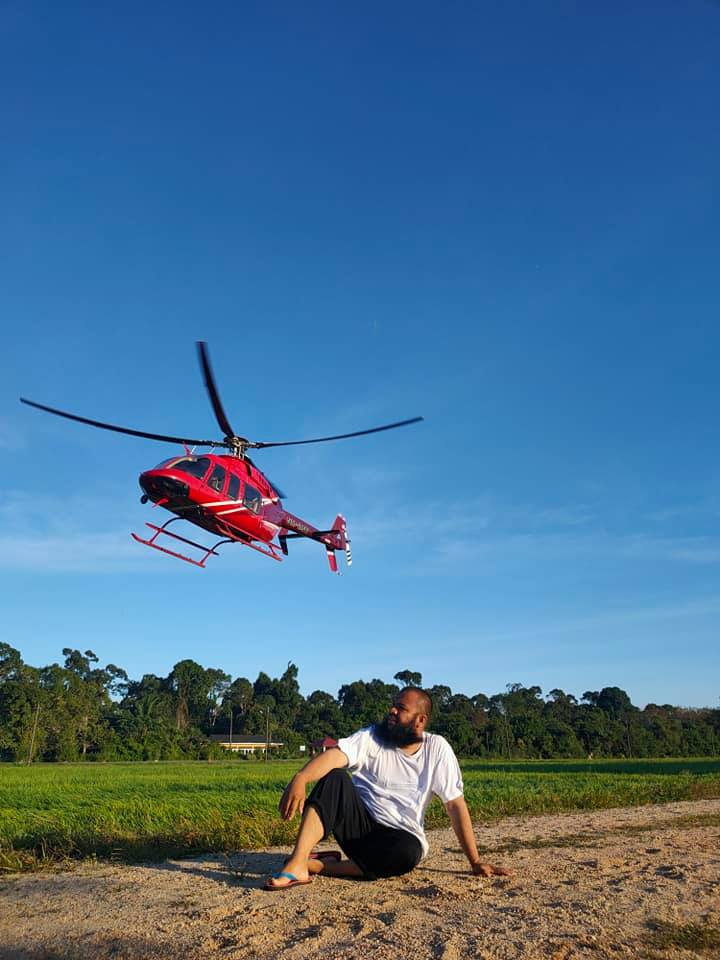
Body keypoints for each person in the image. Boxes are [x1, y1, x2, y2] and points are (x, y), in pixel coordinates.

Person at [265, 686, 510, 889]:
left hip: (399, 839)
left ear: (420, 720)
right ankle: (298, 863)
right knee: (335, 777)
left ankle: (318, 865)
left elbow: (455, 804)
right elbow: (335, 756)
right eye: (393, 705)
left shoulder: (437, 749)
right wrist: (301, 777)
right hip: (359, 829)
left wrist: (475, 861)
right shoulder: (372, 737)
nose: (392, 711)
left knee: (407, 854)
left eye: (401, 708)